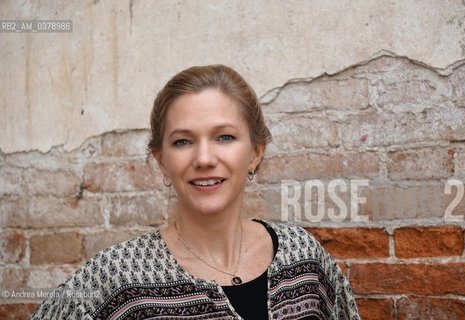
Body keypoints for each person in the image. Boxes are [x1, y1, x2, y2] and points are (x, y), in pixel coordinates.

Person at [32, 65, 360, 319]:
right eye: (183, 142)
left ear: (256, 151)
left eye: (224, 137)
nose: (204, 159)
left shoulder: (303, 259)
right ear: (161, 160)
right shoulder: (119, 277)